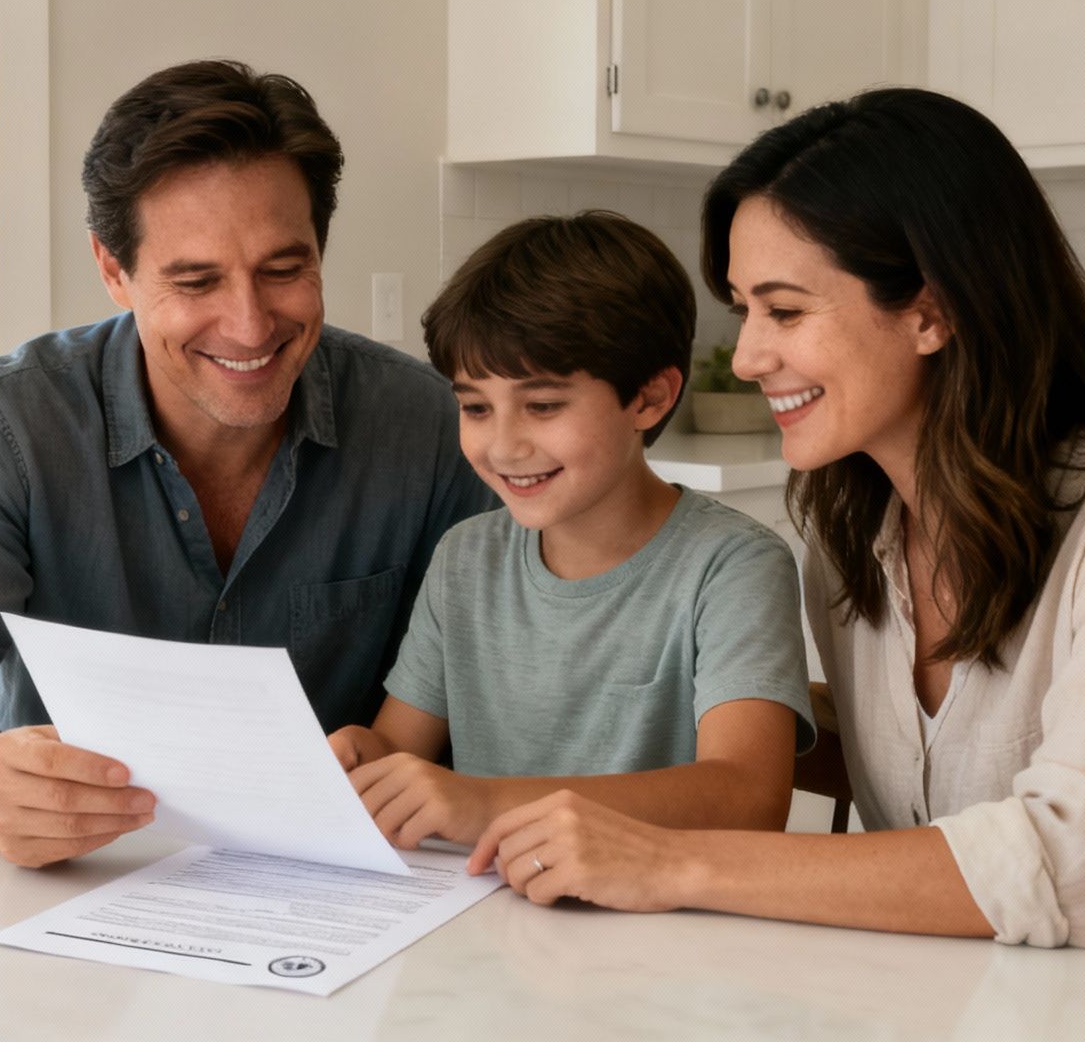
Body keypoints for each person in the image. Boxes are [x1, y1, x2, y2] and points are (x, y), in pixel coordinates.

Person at [466, 88, 1085, 989]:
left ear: (930, 312)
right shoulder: (848, 526)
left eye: (783, 311)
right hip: (993, 993)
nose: (745, 357)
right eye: (743, 309)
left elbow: (1083, 871)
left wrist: (669, 861)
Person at [0, 60, 496, 869]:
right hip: (77, 894)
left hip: (354, 901)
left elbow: (507, 674)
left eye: (284, 269)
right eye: (196, 280)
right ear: (113, 269)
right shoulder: (3, 425)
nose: (249, 326)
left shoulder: (427, 427)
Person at [327, 211, 813, 850]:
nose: (503, 444)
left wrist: (484, 803)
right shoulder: (465, 559)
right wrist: (363, 756)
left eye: (544, 405)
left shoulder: (732, 566)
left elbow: (748, 798)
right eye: (475, 407)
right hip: (492, 921)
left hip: (660, 930)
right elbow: (396, 745)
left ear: (649, 399)